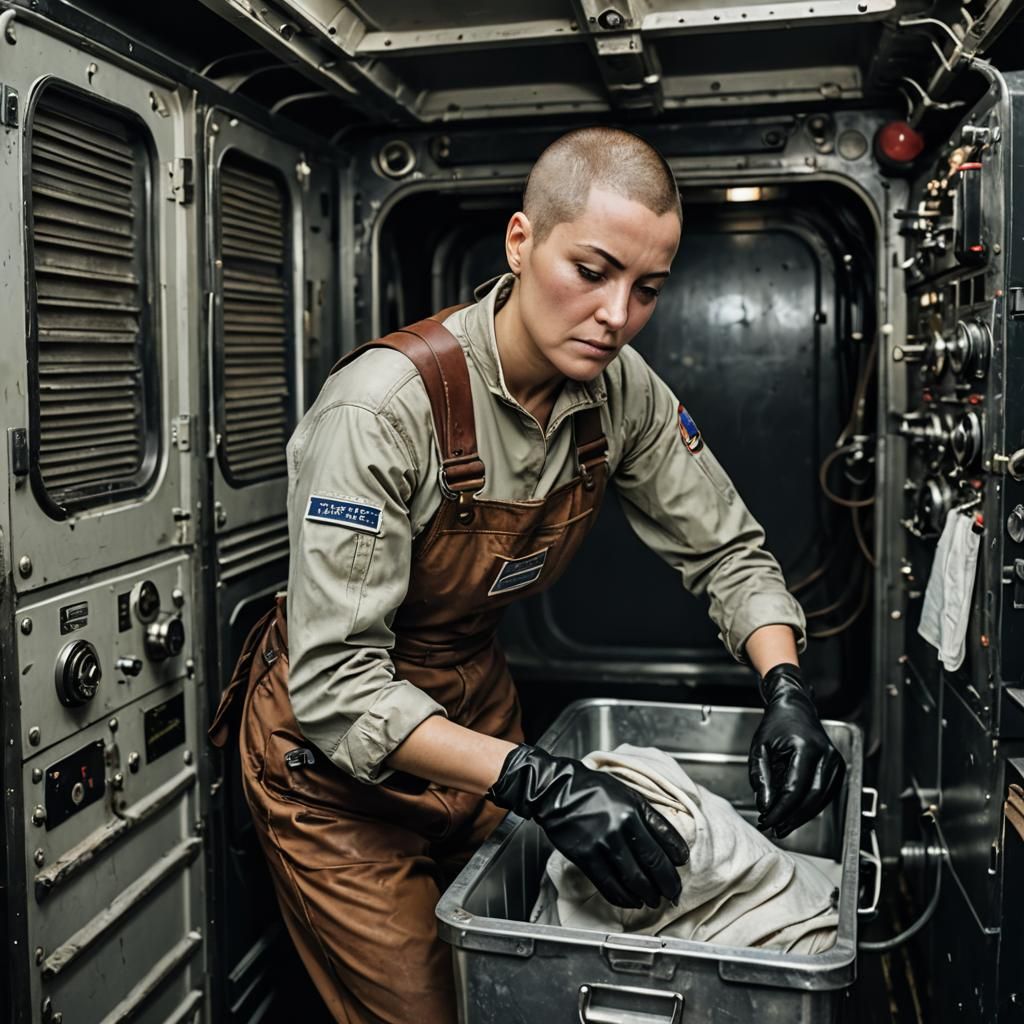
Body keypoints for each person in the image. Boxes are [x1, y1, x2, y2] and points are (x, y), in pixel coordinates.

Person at [209, 126, 845, 1024]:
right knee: (434, 1010)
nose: (618, 315)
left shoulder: (620, 389)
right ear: (521, 242)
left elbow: (724, 548)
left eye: (648, 288)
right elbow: (339, 686)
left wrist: (784, 685)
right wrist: (543, 784)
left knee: (522, 984)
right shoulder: (383, 410)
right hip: (335, 771)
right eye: (592, 271)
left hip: (477, 715)